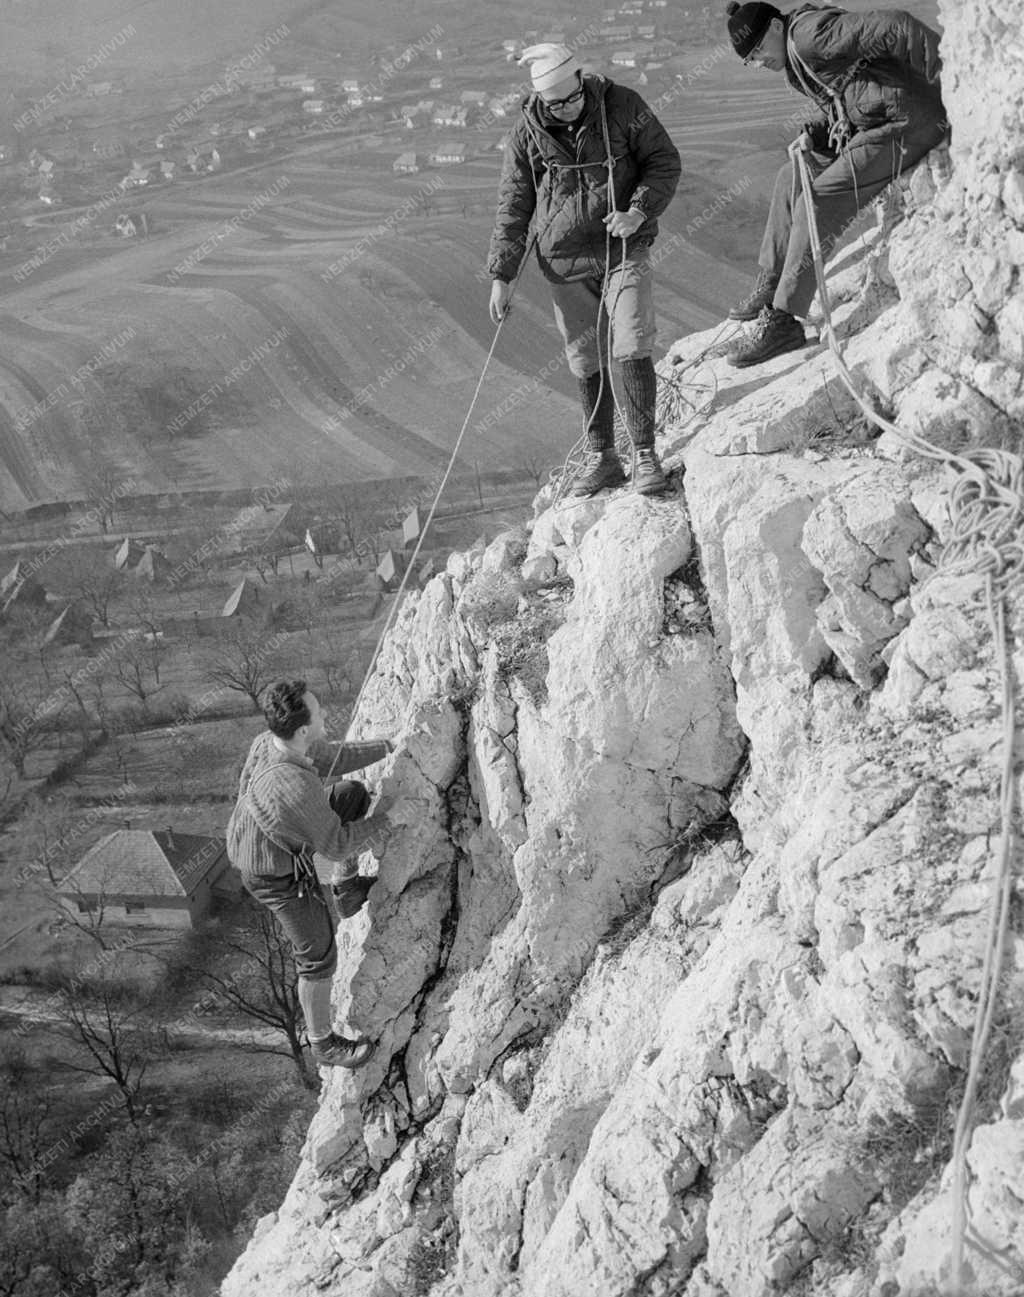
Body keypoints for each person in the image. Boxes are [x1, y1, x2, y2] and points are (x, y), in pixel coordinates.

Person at [487, 43, 682, 497]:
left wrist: (638, 211)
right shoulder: (527, 133)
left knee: (631, 342)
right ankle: (602, 458)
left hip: (623, 246)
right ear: (540, 100)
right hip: (564, 261)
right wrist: (502, 276)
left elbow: (663, 161)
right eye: (555, 104)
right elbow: (514, 206)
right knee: (584, 358)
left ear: (580, 80)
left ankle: (645, 453)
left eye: (572, 98)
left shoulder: (623, 105)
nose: (567, 109)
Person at [724, 1, 947, 368]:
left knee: (818, 202)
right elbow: (850, 98)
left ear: (776, 28)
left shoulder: (810, 36)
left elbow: (895, 24)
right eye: (751, 60)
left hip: (908, 121)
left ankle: (784, 320)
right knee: (791, 175)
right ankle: (771, 283)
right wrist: (814, 134)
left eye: (759, 50)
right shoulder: (796, 53)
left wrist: (953, 77)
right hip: (877, 121)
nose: (759, 62)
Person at [226, 679, 394, 1069]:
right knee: (317, 955)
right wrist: (392, 819)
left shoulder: (272, 742)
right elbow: (336, 844)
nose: (324, 715)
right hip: (272, 876)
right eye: (318, 712)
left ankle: (347, 888)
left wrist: (385, 747)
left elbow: (330, 757)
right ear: (303, 728)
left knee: (350, 795)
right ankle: (323, 1044)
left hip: (275, 839)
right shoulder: (293, 786)